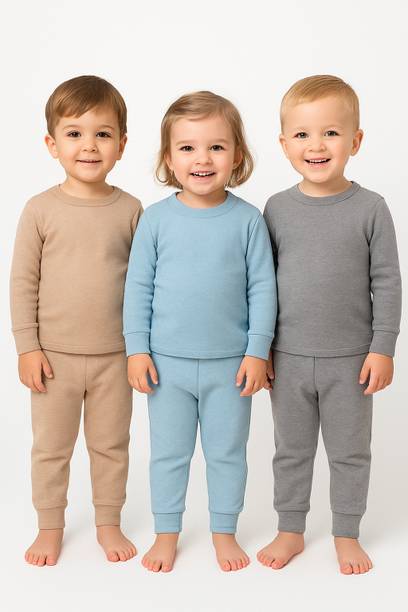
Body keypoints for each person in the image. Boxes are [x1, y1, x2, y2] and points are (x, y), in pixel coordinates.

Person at [123, 91, 277, 572]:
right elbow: (137, 288)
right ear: (169, 158)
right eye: (187, 147)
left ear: (237, 155)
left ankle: (224, 532)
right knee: (168, 454)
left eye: (216, 146)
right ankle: (166, 532)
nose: (202, 159)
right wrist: (136, 349)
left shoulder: (249, 220)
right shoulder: (155, 220)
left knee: (227, 454)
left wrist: (257, 351)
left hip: (231, 366)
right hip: (165, 366)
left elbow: (263, 289)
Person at [258, 75, 402, 574]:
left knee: (349, 453)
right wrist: (262, 348)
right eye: (302, 134)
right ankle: (290, 529)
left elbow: (387, 282)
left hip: (351, 361)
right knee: (291, 451)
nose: (316, 146)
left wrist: (383, 347)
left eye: (331, 133)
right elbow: (261, 284)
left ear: (355, 141)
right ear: (284, 144)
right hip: (288, 359)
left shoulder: (371, 208)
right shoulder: (276, 209)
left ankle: (346, 532)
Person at [10, 75, 142, 566]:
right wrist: (27, 347)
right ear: (52, 144)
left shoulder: (131, 210)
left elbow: (144, 285)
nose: (89, 145)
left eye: (102, 134)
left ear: (121, 145)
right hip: (53, 359)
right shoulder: (40, 210)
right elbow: (22, 282)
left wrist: (140, 347)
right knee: (51, 449)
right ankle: (50, 526)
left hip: (115, 357)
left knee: (111, 446)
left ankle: (108, 522)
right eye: (74, 133)